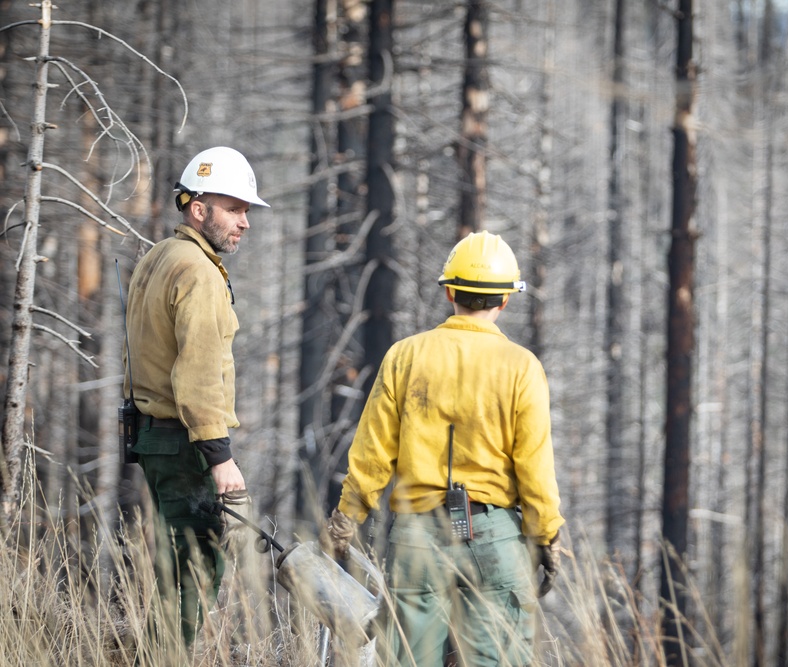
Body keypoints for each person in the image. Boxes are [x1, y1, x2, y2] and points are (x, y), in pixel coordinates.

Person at [321, 231, 565, 667]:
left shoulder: (404, 356)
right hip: (494, 537)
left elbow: (372, 452)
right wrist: (546, 535)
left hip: (417, 536)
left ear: (449, 290)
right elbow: (535, 467)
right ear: (505, 300)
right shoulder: (521, 367)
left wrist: (346, 519)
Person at [123, 146, 268, 649]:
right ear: (198, 208)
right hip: (184, 446)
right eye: (235, 208)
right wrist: (220, 457)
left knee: (175, 571)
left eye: (247, 211)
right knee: (193, 574)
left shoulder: (160, 256)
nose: (244, 223)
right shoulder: (199, 272)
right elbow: (199, 373)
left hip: (153, 439)